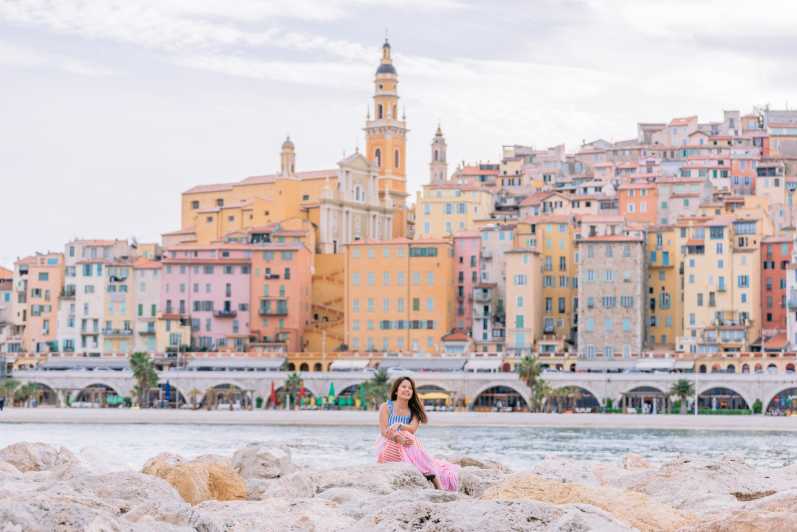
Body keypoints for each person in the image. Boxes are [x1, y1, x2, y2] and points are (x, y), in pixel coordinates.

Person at [377, 376, 459, 491]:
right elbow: (383, 431)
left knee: (408, 435)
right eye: (404, 387)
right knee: (406, 436)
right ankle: (434, 478)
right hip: (389, 445)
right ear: (396, 390)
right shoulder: (386, 407)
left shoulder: (413, 410)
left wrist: (399, 425)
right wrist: (396, 437)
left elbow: (412, 429)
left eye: (410, 388)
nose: (407, 390)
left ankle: (431, 474)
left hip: (407, 444)